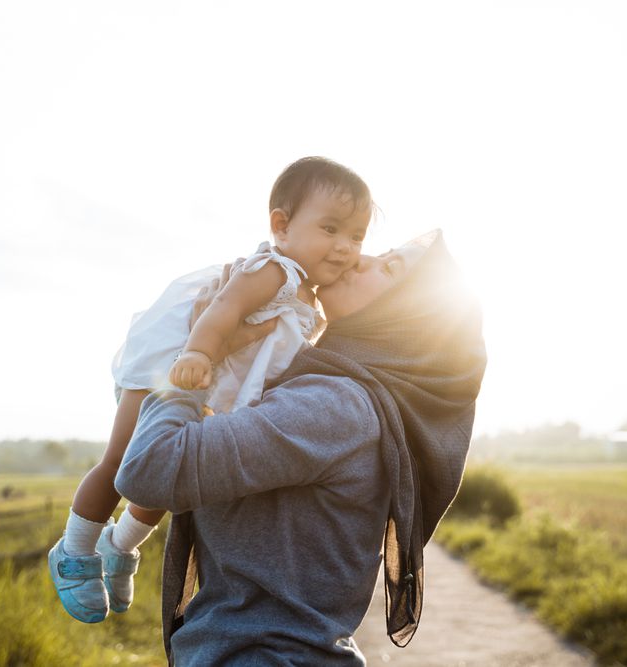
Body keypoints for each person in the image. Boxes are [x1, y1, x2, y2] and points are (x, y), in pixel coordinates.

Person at [115, 230, 486, 665]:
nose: (359, 258)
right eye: (379, 253)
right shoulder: (331, 390)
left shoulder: (336, 406)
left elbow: (149, 468)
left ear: (404, 317)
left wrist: (194, 356)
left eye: (388, 269)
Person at [48, 157, 374, 624]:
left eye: (357, 237)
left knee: (167, 478)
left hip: (209, 386)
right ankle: (74, 549)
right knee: (124, 458)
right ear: (281, 226)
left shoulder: (311, 298)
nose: (345, 247)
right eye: (330, 228)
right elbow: (225, 305)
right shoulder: (275, 270)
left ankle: (119, 547)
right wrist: (198, 353)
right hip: (173, 362)